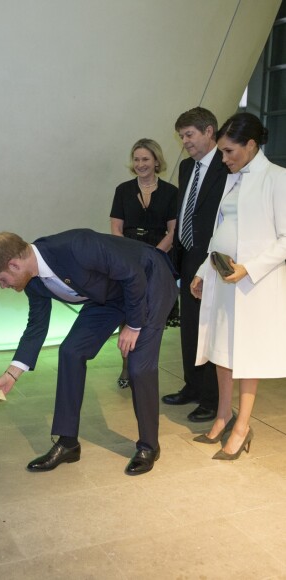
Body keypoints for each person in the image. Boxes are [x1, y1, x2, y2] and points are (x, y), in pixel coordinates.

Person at [0, 229, 178, 475]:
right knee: (71, 351)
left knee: (138, 366)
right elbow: (36, 325)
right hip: (110, 297)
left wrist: (134, 325)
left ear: (14, 265)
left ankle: (149, 446)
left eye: (1, 279)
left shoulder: (77, 246)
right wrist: (12, 373)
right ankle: (67, 443)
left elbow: (133, 275)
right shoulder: (32, 280)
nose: (1, 286)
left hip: (148, 280)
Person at [190, 113, 286, 460]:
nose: (225, 159)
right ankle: (222, 415)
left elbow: (285, 238)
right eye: (222, 153)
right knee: (222, 351)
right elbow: (220, 231)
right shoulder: (232, 178)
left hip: (254, 285)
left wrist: (249, 268)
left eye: (230, 152)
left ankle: (243, 426)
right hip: (224, 278)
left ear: (250, 145)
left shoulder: (277, 179)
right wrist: (203, 269)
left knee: (248, 354)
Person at [161, 107, 228, 423]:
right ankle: (193, 386)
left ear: (209, 131)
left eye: (189, 135)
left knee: (210, 331)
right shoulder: (187, 167)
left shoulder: (226, 165)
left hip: (214, 260)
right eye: (182, 136)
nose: (185, 142)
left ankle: (212, 399)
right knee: (189, 327)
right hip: (187, 257)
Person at [110, 138, 178, 388]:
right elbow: (116, 228)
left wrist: (154, 257)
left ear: (156, 161)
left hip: (159, 259)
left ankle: (146, 368)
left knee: (153, 316)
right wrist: (128, 256)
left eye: (145, 159)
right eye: (136, 159)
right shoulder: (123, 190)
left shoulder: (171, 192)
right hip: (128, 260)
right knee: (127, 316)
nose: (140, 164)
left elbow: (173, 231)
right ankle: (126, 367)